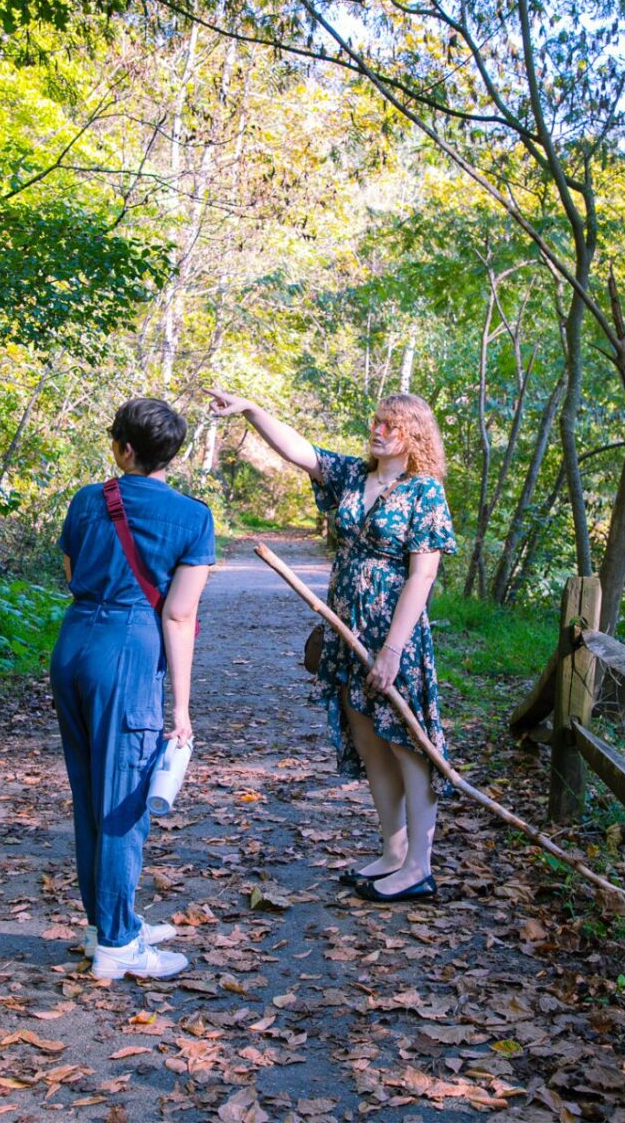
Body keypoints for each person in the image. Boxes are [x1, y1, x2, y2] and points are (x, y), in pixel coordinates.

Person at [206, 388, 457, 902]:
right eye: (377, 422)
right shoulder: (351, 476)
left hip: (394, 635)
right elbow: (300, 450)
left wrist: (391, 650)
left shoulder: (424, 492)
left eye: (391, 425)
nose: (379, 431)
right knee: (369, 741)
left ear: (415, 435)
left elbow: (421, 577)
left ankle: (419, 867)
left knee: (408, 745)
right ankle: (393, 852)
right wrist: (253, 408)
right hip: (347, 630)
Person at [51, 398, 214, 980]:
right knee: (123, 803)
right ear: (173, 454)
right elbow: (178, 615)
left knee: (88, 795)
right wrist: (182, 708)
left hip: (73, 645)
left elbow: (73, 574)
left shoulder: (86, 500)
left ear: (122, 448)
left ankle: (104, 923)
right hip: (129, 650)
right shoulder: (194, 519)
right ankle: (119, 944)